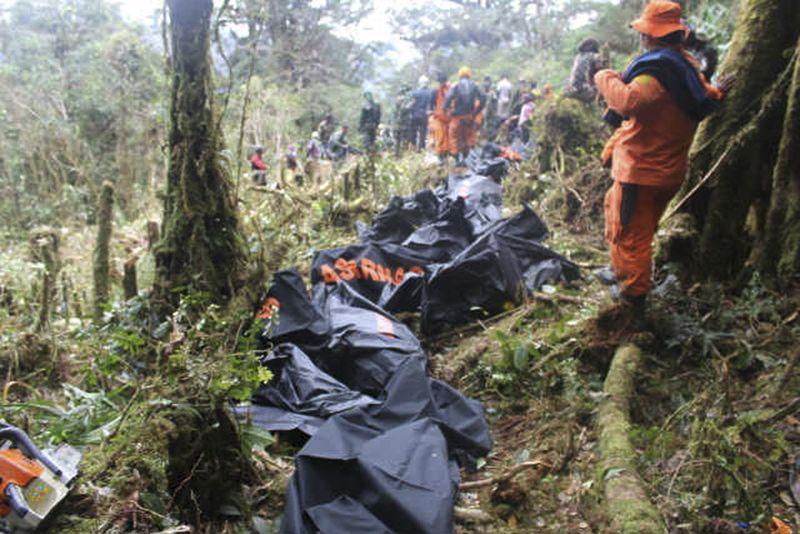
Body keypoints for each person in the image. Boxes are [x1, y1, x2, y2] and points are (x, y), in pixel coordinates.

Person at [594, 0, 735, 321]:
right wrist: (719, 91)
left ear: (652, 36)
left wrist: (603, 76)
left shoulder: (655, 75)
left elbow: (627, 100)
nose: (642, 38)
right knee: (622, 217)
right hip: (665, 172)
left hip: (640, 172)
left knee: (630, 236)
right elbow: (706, 97)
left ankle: (634, 303)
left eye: (645, 33)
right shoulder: (685, 68)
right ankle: (621, 271)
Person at [443, 66, 486, 164]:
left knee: (454, 136)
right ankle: (466, 159)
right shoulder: (475, 85)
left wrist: (446, 109)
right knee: (468, 136)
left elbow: (448, 97)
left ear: (459, 74)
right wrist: (477, 111)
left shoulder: (456, 85)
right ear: (469, 75)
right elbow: (483, 97)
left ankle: (456, 159)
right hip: (469, 116)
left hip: (457, 117)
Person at [565, 37, 603, 102]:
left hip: (571, 90)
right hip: (585, 91)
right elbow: (601, 73)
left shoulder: (578, 57)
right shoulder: (595, 56)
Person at [428, 71, 451, 164]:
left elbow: (431, 106)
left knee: (442, 138)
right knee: (442, 137)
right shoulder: (448, 91)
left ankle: (442, 156)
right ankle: (442, 156)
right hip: (443, 118)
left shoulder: (442, 91)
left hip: (443, 118)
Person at [408, 76, 432, 151]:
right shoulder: (430, 93)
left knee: (413, 131)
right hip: (424, 115)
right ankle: (421, 148)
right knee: (423, 132)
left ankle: (413, 145)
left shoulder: (414, 93)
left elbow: (411, 104)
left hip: (415, 115)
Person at [481, 75, 498, 141]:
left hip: (484, 109)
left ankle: (485, 137)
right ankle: (488, 138)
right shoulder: (492, 93)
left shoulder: (482, 88)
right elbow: (494, 104)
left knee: (485, 124)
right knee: (488, 124)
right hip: (488, 110)